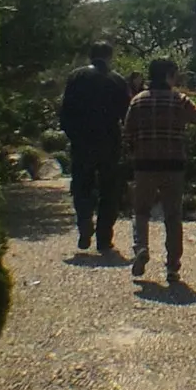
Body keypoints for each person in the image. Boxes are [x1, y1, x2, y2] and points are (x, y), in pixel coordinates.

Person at [124, 57, 196, 285]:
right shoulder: (178, 100)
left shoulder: (138, 101)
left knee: (141, 211)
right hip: (173, 164)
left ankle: (141, 247)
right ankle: (172, 268)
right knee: (172, 216)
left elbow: (127, 132)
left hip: (145, 164)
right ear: (168, 75)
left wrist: (135, 152)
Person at [57, 41, 132, 255]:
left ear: (90, 56)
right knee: (110, 189)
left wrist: (72, 134)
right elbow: (126, 113)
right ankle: (104, 237)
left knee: (82, 184)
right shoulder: (117, 80)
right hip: (109, 141)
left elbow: (65, 110)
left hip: (82, 141)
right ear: (110, 56)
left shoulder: (76, 77)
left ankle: (84, 222)